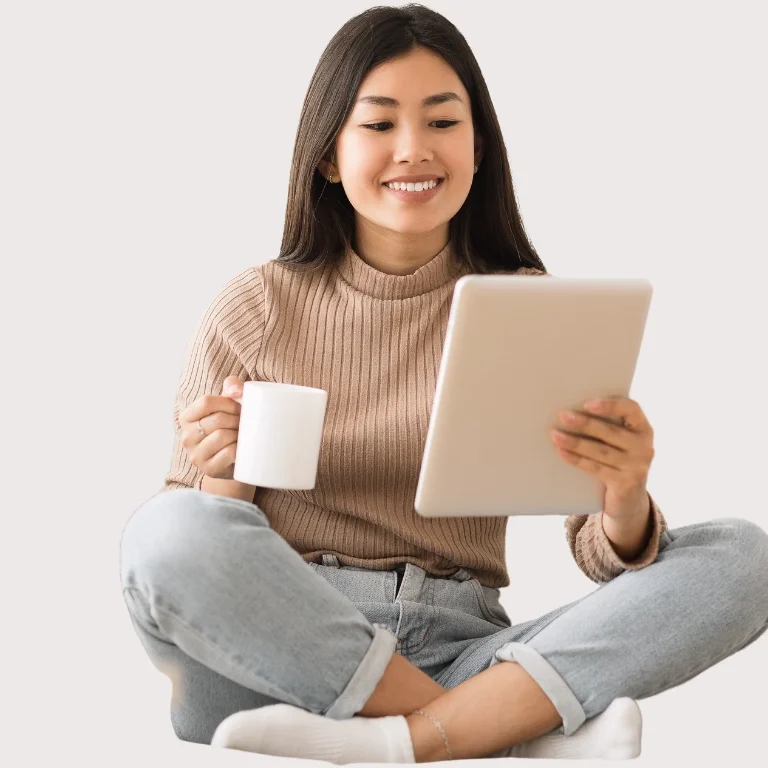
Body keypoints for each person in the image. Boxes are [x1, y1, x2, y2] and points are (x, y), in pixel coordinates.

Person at [119, 4, 768, 763]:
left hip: (460, 641)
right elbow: (192, 556)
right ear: (328, 156)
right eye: (379, 123)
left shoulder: (525, 306)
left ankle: (417, 735)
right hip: (277, 659)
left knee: (742, 557)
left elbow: (600, 555)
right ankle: (492, 727)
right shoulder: (256, 306)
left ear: (477, 146)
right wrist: (223, 473)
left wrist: (623, 497)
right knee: (163, 529)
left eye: (441, 122)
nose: (413, 149)